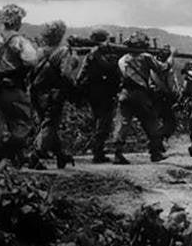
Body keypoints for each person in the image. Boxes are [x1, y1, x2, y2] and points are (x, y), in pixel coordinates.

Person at [110, 31, 174, 164]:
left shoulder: (122, 59)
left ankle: (117, 153)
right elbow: (162, 68)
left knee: (122, 123)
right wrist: (171, 57)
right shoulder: (146, 57)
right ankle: (155, 153)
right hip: (140, 95)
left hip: (124, 94)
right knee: (151, 122)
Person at [0, 4, 38, 166]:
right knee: (21, 123)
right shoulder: (19, 41)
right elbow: (31, 60)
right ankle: (6, 155)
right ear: (18, 22)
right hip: (13, 87)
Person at [29, 20, 78, 169]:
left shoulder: (38, 52)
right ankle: (35, 155)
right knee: (50, 124)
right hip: (54, 93)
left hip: (36, 93)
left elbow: (30, 71)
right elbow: (66, 74)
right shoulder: (63, 52)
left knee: (47, 123)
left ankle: (60, 155)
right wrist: (73, 89)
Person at [75, 29, 122, 163]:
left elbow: (83, 72)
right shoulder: (96, 53)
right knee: (104, 121)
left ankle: (98, 150)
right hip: (101, 92)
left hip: (94, 92)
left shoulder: (93, 53)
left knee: (99, 120)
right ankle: (97, 152)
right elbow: (108, 67)